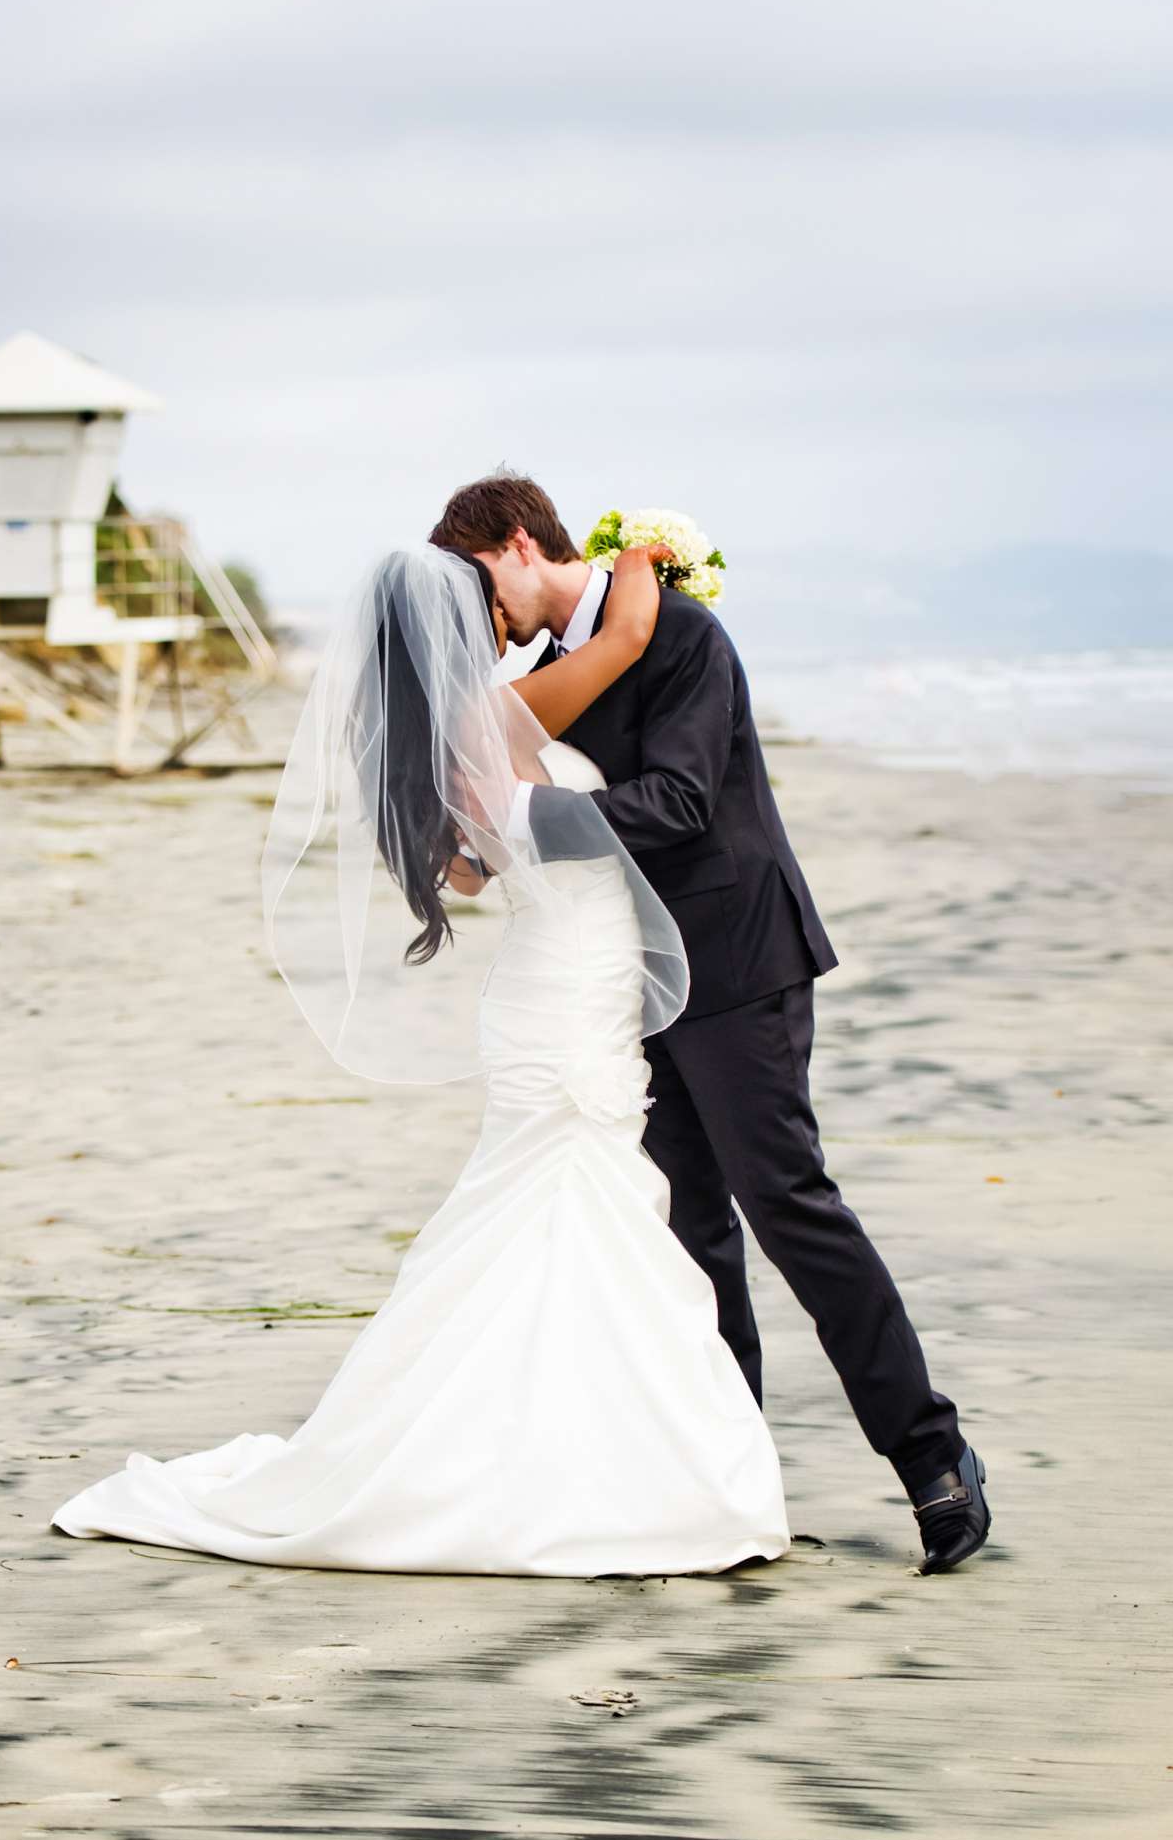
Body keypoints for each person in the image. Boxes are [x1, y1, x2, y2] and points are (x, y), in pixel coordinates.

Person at [51, 540, 790, 1577]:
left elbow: (478, 871)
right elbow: (626, 638)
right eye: (481, 602)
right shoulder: (489, 715)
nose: (499, 615)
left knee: (556, 1217)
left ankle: (578, 1450)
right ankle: (601, 1468)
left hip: (559, 984)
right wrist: (637, 577)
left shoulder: (444, 726)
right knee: (586, 1206)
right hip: (567, 991)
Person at [430, 472, 991, 1575]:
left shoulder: (681, 633)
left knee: (787, 1204)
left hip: (737, 958)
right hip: (623, 980)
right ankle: (731, 1480)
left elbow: (682, 802)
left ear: (515, 544)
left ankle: (933, 1456)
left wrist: (524, 819)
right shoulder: (554, 669)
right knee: (688, 1231)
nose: (481, 622)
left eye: (478, 584)